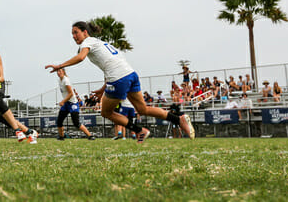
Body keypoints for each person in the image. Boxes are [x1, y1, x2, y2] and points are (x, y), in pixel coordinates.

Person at [45, 21, 195, 143]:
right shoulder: (100, 43)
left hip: (119, 78)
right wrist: (103, 88)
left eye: (76, 32)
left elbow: (80, 58)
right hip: (130, 74)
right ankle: (179, 118)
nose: (73, 36)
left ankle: (139, 130)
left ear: (85, 32)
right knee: (142, 109)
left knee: (106, 112)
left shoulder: (88, 42)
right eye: (72, 34)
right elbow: (111, 65)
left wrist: (60, 65)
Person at [54, 68, 94, 141]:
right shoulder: (59, 80)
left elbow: (71, 94)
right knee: (59, 121)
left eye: (60, 71)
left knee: (76, 123)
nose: (58, 72)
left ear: (63, 72)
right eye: (57, 71)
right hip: (66, 103)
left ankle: (90, 136)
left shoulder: (66, 80)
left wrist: (62, 101)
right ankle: (61, 137)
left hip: (72, 103)